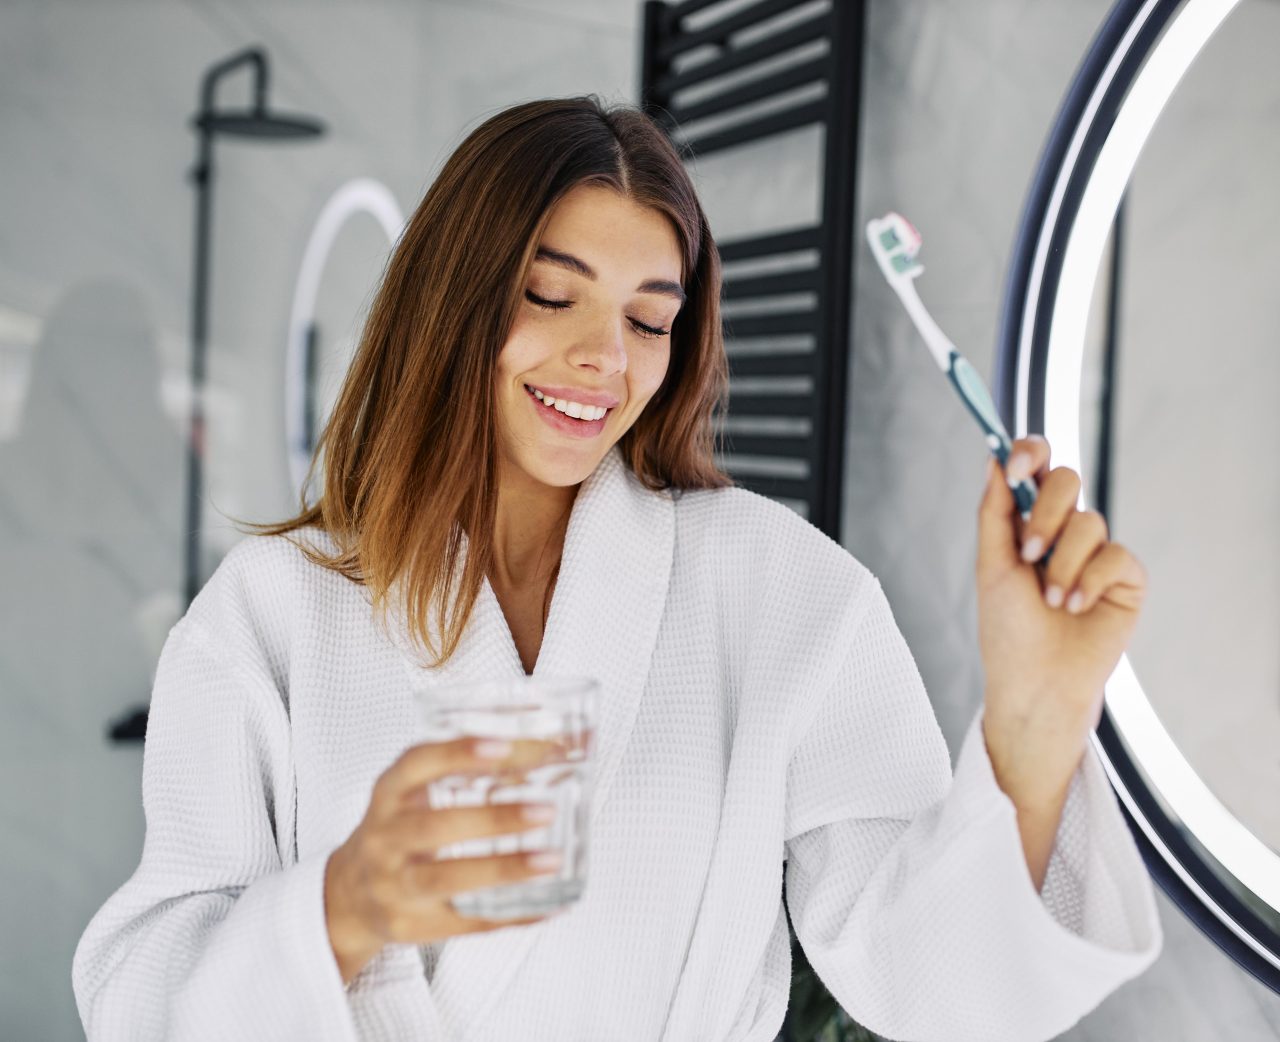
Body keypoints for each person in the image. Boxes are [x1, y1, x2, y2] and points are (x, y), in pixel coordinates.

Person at [72, 96, 1162, 1042]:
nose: (607, 358)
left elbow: (928, 984)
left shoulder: (775, 588)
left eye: (649, 318)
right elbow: (138, 995)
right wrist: (344, 907)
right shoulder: (274, 609)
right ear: (450, 298)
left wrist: (1033, 721)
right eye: (552, 296)